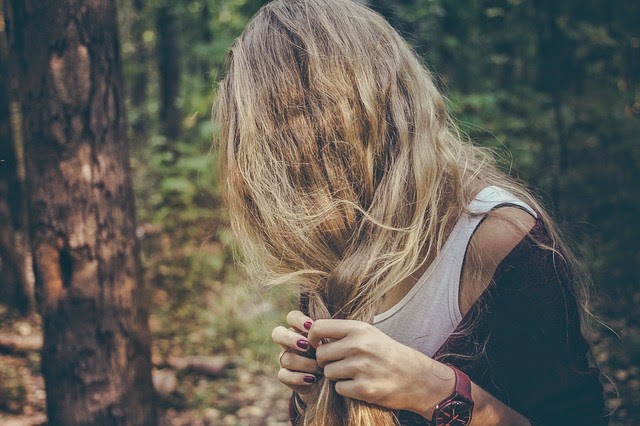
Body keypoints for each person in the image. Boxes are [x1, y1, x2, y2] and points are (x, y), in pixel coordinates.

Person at [214, 0, 607, 424]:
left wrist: (436, 391)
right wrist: (312, 396)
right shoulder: (333, 233)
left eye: (287, 152)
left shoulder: (499, 240)